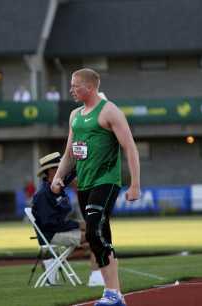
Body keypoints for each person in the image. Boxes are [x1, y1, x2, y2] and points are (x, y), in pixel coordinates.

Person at [51, 68, 140, 306]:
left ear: (89, 87)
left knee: (93, 232)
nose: (71, 89)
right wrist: (58, 177)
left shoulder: (110, 111)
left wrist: (135, 184)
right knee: (100, 236)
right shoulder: (74, 115)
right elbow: (70, 152)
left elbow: (130, 148)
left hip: (107, 182)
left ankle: (111, 292)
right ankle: (115, 295)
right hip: (85, 184)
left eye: (75, 85)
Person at [32, 152, 104, 286]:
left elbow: (74, 172)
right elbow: (50, 224)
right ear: (52, 171)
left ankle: (53, 262)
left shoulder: (56, 186)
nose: (65, 171)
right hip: (51, 234)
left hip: (56, 232)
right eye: (61, 168)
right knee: (95, 237)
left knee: (90, 241)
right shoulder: (43, 195)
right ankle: (95, 278)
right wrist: (77, 225)